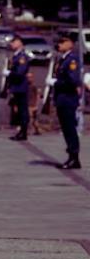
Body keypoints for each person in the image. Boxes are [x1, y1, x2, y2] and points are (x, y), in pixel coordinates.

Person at [49, 34, 82, 169]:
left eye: (63, 42)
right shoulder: (62, 59)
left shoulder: (72, 60)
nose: (60, 44)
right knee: (66, 129)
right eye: (59, 42)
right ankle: (72, 157)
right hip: (62, 99)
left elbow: (73, 81)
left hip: (68, 99)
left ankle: (74, 157)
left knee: (70, 129)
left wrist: (56, 83)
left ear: (71, 44)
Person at [4, 36, 32, 141]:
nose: (11, 44)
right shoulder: (15, 56)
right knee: (19, 111)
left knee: (22, 110)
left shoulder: (22, 57)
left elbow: (20, 72)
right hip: (16, 87)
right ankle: (21, 131)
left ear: (19, 43)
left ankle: (23, 132)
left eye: (13, 42)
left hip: (21, 87)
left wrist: (10, 73)